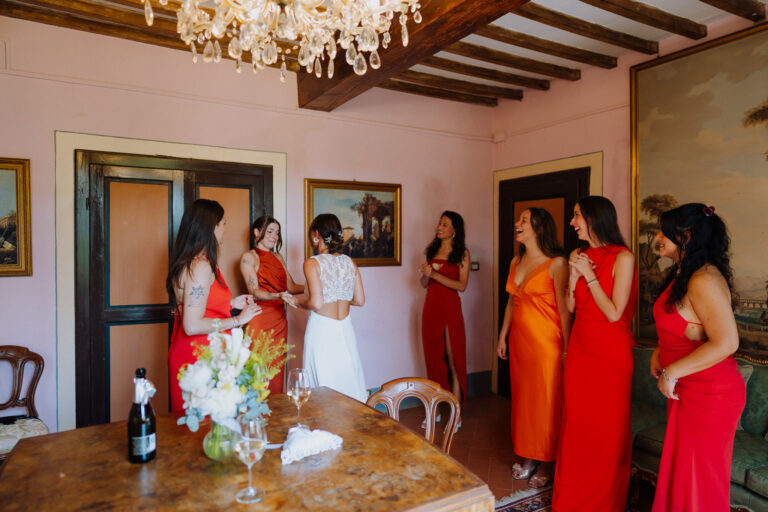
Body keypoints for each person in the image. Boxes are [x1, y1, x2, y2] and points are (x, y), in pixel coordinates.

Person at [650, 204, 745, 511]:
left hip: (710, 393)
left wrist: (671, 371)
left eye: (666, 232)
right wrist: (660, 352)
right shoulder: (683, 273)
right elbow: (685, 326)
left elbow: (727, 342)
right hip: (687, 388)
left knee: (698, 480)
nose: (658, 237)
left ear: (687, 236)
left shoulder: (703, 278)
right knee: (684, 475)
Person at [552, 196, 637, 511]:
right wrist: (574, 278)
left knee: (606, 429)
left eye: (577, 215)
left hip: (610, 353)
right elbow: (571, 307)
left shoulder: (623, 257)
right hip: (581, 348)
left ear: (595, 218)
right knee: (576, 425)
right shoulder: (578, 255)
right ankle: (572, 499)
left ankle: (602, 502)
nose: (572, 222)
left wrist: (589, 275)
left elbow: (614, 313)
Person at [496, 208, 571, 488]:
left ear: (539, 228)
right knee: (524, 402)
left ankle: (548, 460)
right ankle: (529, 455)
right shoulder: (516, 260)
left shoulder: (557, 263)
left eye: (524, 221)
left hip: (546, 344)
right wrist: (502, 336)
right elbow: (511, 303)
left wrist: (567, 347)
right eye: (519, 220)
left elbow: (565, 310)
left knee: (546, 403)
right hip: (520, 343)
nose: (517, 224)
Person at [166, 199, 262, 412]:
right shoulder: (200, 266)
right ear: (211, 227)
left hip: (198, 351)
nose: (226, 228)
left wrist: (231, 303)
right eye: (223, 223)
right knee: (205, 424)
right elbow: (192, 325)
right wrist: (238, 320)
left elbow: (195, 304)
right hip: (199, 356)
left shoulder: (192, 261)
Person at [294, 213, 367, 402]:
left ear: (316, 234)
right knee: (348, 380)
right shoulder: (349, 262)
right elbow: (359, 300)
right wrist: (339, 298)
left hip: (322, 330)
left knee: (322, 385)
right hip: (345, 328)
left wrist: (295, 301)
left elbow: (316, 303)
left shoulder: (312, 263)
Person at [240, 215, 304, 394]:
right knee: (257, 373)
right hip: (258, 319)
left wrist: (314, 286)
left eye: (277, 233)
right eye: (270, 232)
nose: (274, 236)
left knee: (276, 372)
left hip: (279, 321)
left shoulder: (278, 257)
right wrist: (278, 295)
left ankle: (274, 410)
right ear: (256, 232)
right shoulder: (248, 257)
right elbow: (254, 291)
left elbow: (291, 287)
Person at [420, 211, 469, 403]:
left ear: (454, 230)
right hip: (431, 307)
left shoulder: (462, 253)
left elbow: (462, 285)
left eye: (445, 224)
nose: (439, 227)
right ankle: (437, 407)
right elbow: (424, 283)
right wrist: (426, 274)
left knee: (453, 357)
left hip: (450, 308)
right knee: (433, 357)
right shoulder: (432, 251)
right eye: (440, 223)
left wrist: (435, 275)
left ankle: (455, 410)